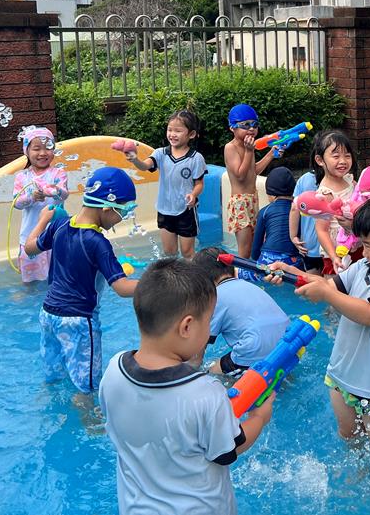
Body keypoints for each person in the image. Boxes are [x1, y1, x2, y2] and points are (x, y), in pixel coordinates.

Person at [99, 258, 274, 515]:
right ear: (187, 326)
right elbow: (228, 450)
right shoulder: (205, 392)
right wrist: (259, 417)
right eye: (209, 321)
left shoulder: (113, 371)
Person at [268, 190, 370, 458]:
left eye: (369, 245)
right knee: (349, 434)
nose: (364, 251)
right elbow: (328, 286)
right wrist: (292, 274)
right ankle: (359, 470)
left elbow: (369, 314)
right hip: (341, 375)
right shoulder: (365, 266)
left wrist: (326, 293)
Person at [24, 167, 139, 393]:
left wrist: (42, 220)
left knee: (54, 380)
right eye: (124, 211)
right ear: (107, 207)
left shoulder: (59, 225)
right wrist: (160, 281)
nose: (122, 218)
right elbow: (123, 288)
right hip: (78, 322)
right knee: (86, 390)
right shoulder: (98, 242)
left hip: (48, 315)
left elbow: (29, 248)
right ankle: (88, 415)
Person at [122, 109, 206, 259]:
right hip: (164, 209)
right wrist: (135, 159)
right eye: (169, 129)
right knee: (169, 253)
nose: (172, 134)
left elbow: (199, 183)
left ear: (191, 134)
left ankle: (192, 274)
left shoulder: (196, 158)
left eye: (178, 131)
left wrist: (193, 194)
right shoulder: (160, 153)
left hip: (185, 210)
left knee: (188, 253)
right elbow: (145, 166)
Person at [193, 246, 290, 375]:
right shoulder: (249, 285)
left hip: (255, 348)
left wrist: (190, 370)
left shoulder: (214, 299)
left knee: (211, 372)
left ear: (202, 282)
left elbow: (199, 347)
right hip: (287, 342)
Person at [12, 126, 68, 283]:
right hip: (30, 236)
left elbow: (64, 194)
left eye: (48, 148)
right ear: (27, 151)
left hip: (56, 235)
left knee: (59, 278)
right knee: (31, 280)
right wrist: (32, 197)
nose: (43, 153)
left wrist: (55, 190)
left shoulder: (58, 173)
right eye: (37, 149)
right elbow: (16, 203)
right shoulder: (22, 177)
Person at [223, 104, 276, 259]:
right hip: (240, 203)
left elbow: (253, 171)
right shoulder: (230, 148)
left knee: (254, 248)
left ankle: (249, 272)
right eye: (245, 125)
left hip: (252, 200)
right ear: (232, 128)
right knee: (244, 251)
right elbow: (240, 175)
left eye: (255, 124)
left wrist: (271, 154)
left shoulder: (249, 145)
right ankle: (241, 273)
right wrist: (248, 151)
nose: (251, 129)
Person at [306, 129, 358, 273]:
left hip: (356, 243)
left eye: (347, 156)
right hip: (336, 251)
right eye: (336, 156)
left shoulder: (349, 180)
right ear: (320, 160)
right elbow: (321, 230)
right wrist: (333, 256)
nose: (343, 161)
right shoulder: (325, 194)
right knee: (335, 285)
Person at [248, 166, 305, 279]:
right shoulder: (299, 210)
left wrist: (256, 260)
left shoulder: (265, 211)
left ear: (272, 195)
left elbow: (255, 248)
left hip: (268, 261)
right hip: (293, 262)